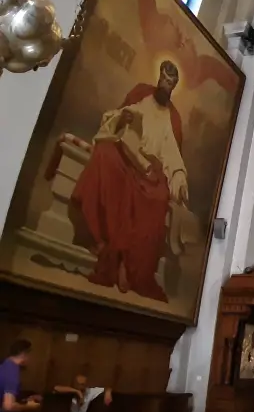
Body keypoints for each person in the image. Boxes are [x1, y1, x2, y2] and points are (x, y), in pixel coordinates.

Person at [69, 60, 187, 302]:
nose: (167, 86)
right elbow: (115, 120)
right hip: (126, 154)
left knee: (155, 198)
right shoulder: (142, 95)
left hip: (147, 168)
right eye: (165, 80)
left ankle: (126, 262)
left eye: (171, 84)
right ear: (159, 79)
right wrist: (123, 117)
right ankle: (101, 240)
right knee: (104, 155)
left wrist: (179, 175)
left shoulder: (171, 119)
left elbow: (172, 153)